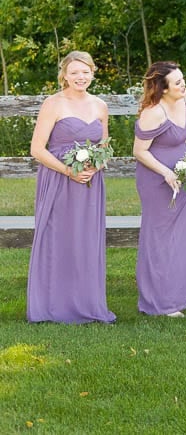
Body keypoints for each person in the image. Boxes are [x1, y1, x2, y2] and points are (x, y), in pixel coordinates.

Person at [26, 51, 116, 324]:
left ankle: (87, 302)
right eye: (75, 72)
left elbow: (105, 147)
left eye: (86, 71)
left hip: (90, 184)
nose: (81, 77)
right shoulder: (53, 104)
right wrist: (68, 171)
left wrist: (94, 168)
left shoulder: (100, 105)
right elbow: (37, 149)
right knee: (58, 238)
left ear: (93, 72)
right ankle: (52, 305)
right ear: (64, 74)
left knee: (85, 241)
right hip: (58, 180)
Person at [133, 61, 186, 317]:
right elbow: (139, 151)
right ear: (163, 88)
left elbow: (180, 142)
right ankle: (159, 301)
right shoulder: (153, 112)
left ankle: (181, 292)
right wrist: (166, 173)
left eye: (183, 79)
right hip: (156, 179)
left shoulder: (184, 103)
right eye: (177, 82)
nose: (183, 84)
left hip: (182, 176)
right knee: (161, 238)